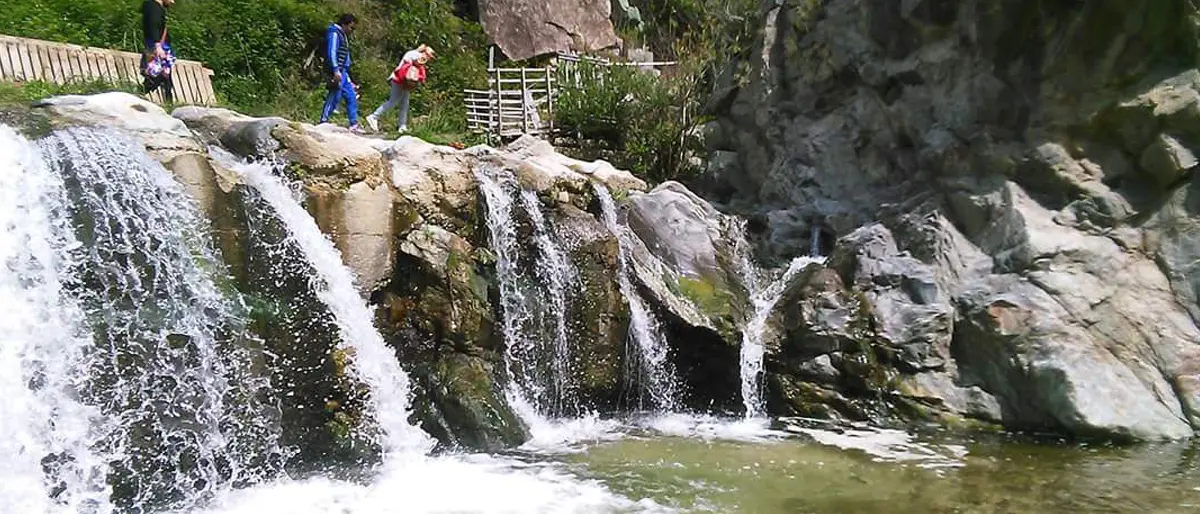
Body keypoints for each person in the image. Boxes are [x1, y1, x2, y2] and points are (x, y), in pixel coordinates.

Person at [365, 44, 435, 133]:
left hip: (403, 82)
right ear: (425, 53)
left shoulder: (414, 54)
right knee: (393, 101)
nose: (429, 59)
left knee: (404, 104)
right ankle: (374, 117)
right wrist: (421, 60)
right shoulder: (415, 55)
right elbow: (411, 65)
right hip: (399, 80)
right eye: (429, 56)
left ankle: (402, 126)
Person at [319, 14, 363, 131]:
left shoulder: (343, 35)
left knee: (351, 96)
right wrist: (335, 70)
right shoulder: (334, 33)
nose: (352, 31)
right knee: (334, 95)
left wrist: (346, 71)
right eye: (351, 28)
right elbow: (331, 52)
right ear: (344, 24)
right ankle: (324, 121)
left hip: (343, 71)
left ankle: (353, 124)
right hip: (335, 70)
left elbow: (345, 54)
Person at [141, 0, 175, 102]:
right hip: (158, 47)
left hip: (158, 46)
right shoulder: (154, 8)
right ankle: (137, 95)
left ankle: (169, 103)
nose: (173, 2)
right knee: (155, 77)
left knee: (165, 78)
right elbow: (154, 25)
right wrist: (157, 45)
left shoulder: (154, 7)